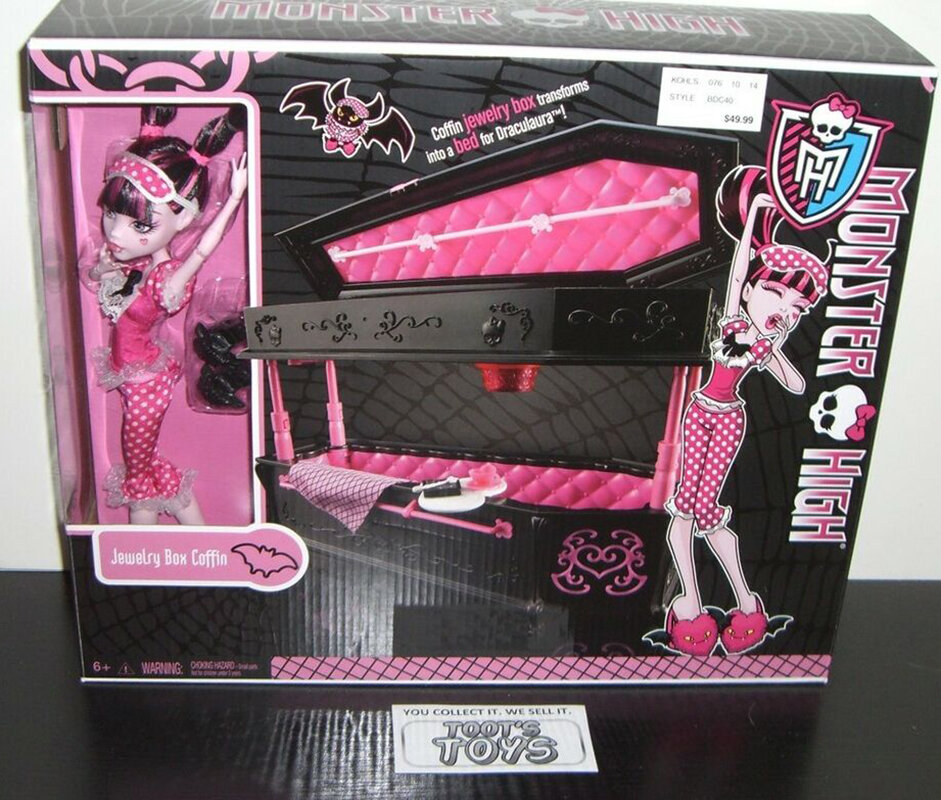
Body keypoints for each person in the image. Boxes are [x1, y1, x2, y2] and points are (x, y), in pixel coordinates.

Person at [659, 165, 829, 656]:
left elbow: (797, 384)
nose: (784, 308)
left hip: (728, 418)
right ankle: (703, 600)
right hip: (699, 412)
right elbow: (737, 270)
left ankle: (732, 600)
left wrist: (776, 345)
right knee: (688, 508)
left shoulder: (761, 344)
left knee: (698, 510)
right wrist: (754, 214)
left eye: (796, 307)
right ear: (754, 289)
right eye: (776, 292)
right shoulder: (734, 320)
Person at [87, 106, 248, 524]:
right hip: (135, 374)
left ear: (184, 218)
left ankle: (146, 545)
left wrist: (234, 197)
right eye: (110, 213)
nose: (115, 232)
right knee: (142, 462)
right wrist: (104, 268)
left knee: (137, 469)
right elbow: (100, 279)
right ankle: (197, 537)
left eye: (140, 226)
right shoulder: (136, 266)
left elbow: (203, 250)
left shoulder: (166, 279)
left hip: (145, 383)